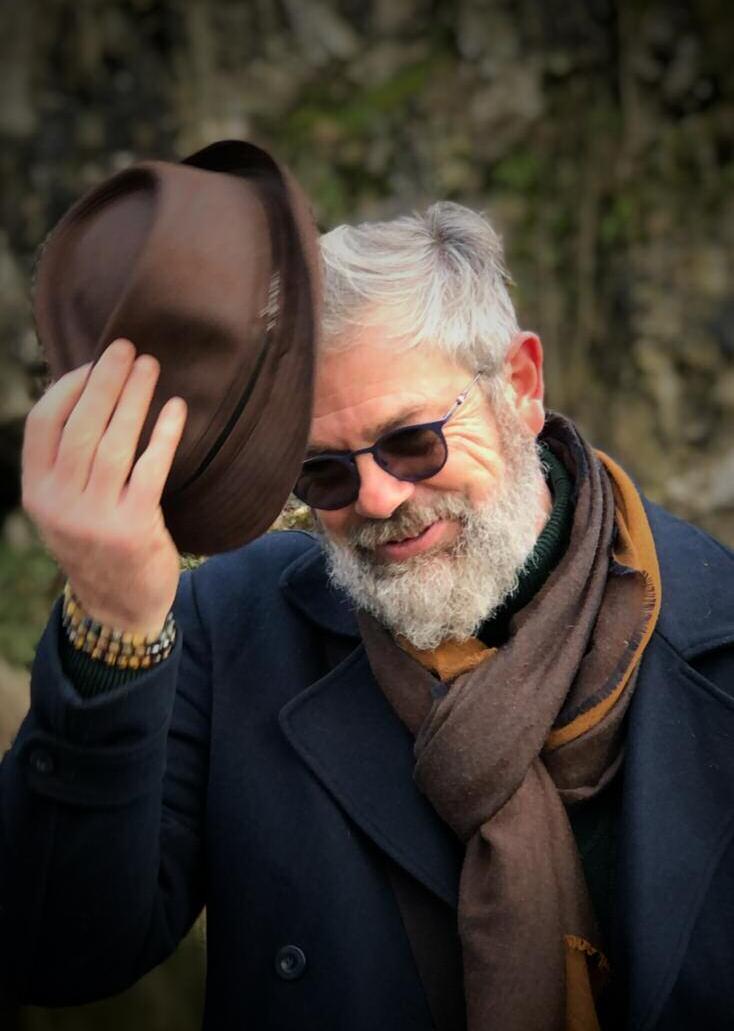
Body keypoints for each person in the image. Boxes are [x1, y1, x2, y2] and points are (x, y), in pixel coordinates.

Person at [2, 202, 733, 1031]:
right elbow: (54, 946)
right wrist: (114, 626)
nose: (379, 498)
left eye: (413, 441)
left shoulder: (716, 633)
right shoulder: (233, 628)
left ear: (521, 387)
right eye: (325, 473)